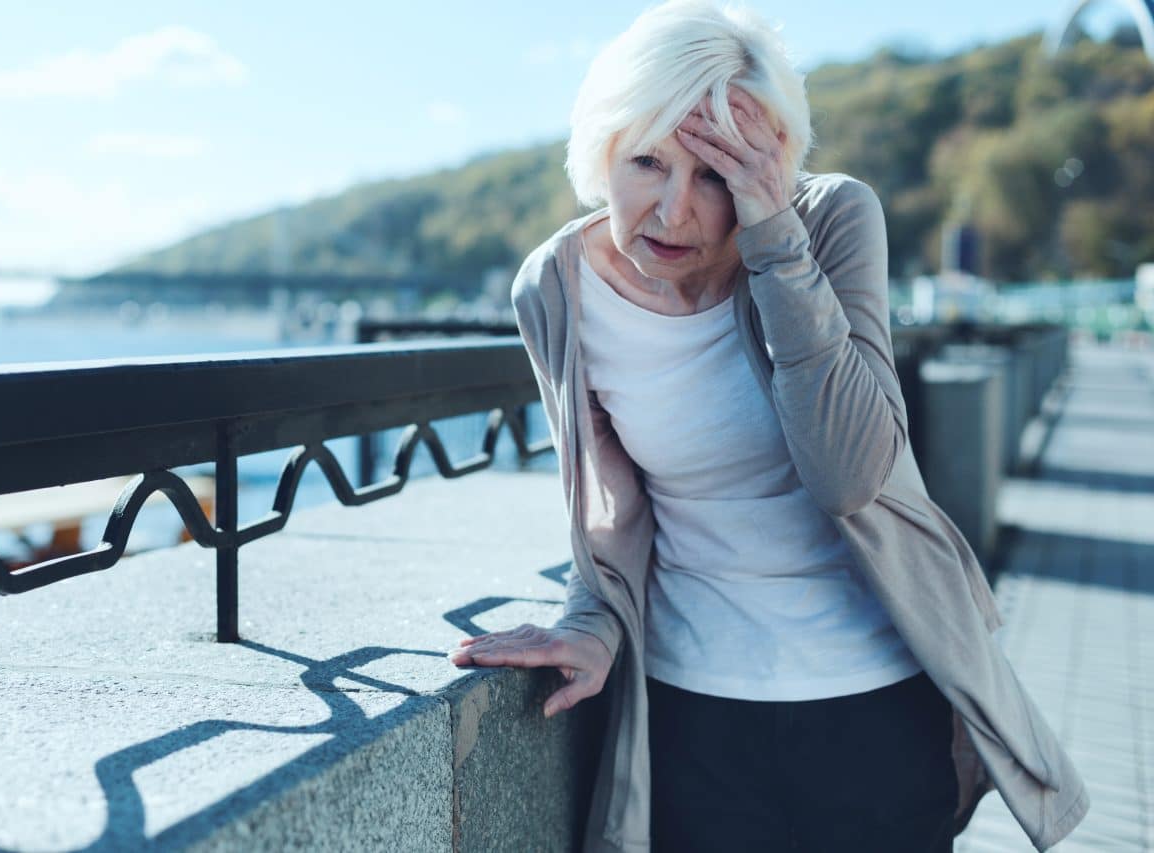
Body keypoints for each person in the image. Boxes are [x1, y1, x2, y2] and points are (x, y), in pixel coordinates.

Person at [448, 1, 1089, 851]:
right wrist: (590, 622)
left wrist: (776, 238)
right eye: (646, 161)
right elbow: (608, 505)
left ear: (772, 164)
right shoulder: (556, 288)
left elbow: (850, 472)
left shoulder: (831, 222)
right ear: (600, 150)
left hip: (876, 706)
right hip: (693, 716)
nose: (674, 210)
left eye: (714, 173)